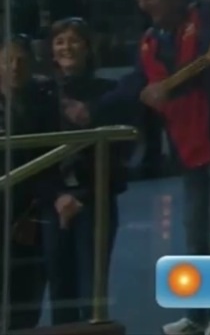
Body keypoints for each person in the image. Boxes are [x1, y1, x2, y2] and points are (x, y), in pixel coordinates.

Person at [63, 0, 210, 335]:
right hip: (187, 148)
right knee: (194, 234)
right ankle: (198, 314)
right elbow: (135, 84)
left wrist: (166, 88)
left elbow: (209, 58)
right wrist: (93, 109)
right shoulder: (150, 41)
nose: (145, 5)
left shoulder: (207, 11)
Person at [43, 17, 125, 325]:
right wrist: (57, 195)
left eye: (74, 40)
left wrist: (83, 195)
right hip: (52, 203)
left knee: (92, 286)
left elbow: (120, 153)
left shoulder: (108, 93)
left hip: (96, 200)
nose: (67, 47)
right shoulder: (42, 94)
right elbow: (34, 152)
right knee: (59, 287)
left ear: (88, 48)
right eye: (60, 41)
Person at [0, 36, 54, 331]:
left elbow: (51, 161)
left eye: (21, 60)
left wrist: (33, 212)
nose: (14, 67)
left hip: (30, 213)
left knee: (27, 294)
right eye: (7, 60)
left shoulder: (44, 102)